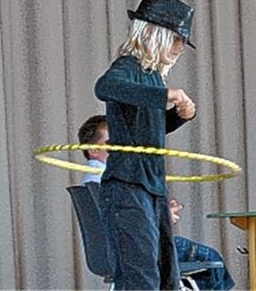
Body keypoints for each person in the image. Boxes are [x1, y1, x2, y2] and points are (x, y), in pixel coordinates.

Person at [95, 0, 198, 290]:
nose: (181, 48)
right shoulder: (129, 66)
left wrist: (180, 116)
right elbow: (105, 87)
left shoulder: (154, 77)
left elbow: (146, 132)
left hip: (153, 189)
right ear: (156, 34)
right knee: (141, 280)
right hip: (127, 187)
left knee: (167, 278)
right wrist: (167, 96)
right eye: (177, 39)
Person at [76, 115, 234, 290]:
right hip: (143, 250)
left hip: (119, 252)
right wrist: (162, 218)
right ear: (93, 150)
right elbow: (126, 218)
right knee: (210, 259)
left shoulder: (93, 180)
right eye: (112, 142)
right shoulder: (106, 178)